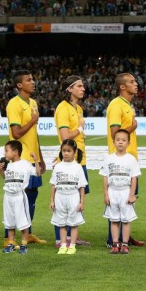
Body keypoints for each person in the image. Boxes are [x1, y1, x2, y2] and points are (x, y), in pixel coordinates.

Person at [5, 70, 47, 246]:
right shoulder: (14, 104)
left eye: (32, 79)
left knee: (31, 197)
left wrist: (41, 157)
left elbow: (33, 134)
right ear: (19, 85)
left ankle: (27, 233)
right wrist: (32, 121)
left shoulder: (33, 103)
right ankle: (9, 238)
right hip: (18, 159)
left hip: (31, 157)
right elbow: (16, 133)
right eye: (28, 80)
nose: (33, 82)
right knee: (16, 197)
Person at [105, 73, 144, 248]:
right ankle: (113, 240)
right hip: (118, 160)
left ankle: (124, 237)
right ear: (122, 87)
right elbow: (115, 134)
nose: (136, 84)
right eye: (131, 82)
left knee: (128, 199)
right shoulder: (116, 105)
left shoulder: (127, 105)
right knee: (116, 198)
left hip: (129, 159)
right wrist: (132, 128)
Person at [54, 75, 90, 247]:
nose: (83, 89)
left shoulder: (78, 108)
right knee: (65, 196)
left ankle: (72, 237)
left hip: (79, 159)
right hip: (69, 161)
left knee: (76, 198)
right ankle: (61, 239)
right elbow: (65, 136)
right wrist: (80, 128)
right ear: (69, 89)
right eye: (79, 86)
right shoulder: (63, 108)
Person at [99, 129, 141, 255]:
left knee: (126, 220)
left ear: (128, 143)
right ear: (113, 142)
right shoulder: (109, 159)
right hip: (113, 192)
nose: (120, 142)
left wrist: (132, 194)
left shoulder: (131, 159)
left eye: (123, 140)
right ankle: (115, 244)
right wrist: (106, 194)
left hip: (125, 192)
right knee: (114, 220)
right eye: (118, 140)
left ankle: (125, 244)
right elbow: (105, 177)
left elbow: (134, 178)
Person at [0, 140, 41, 254]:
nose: (5, 153)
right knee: (9, 222)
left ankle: (24, 244)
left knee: (23, 222)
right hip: (8, 196)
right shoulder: (10, 165)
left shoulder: (25, 164)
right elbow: (6, 178)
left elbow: (38, 173)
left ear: (15, 152)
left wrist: (35, 160)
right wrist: (1, 170)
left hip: (19, 197)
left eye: (7, 151)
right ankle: (11, 243)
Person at [50, 139, 88, 255]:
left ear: (74, 152)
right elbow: (53, 185)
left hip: (73, 197)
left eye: (69, 151)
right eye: (64, 151)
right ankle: (62, 245)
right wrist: (52, 200)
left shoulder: (77, 167)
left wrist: (82, 202)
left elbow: (82, 186)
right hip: (60, 197)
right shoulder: (58, 166)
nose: (66, 153)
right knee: (62, 223)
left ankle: (72, 245)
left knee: (73, 223)